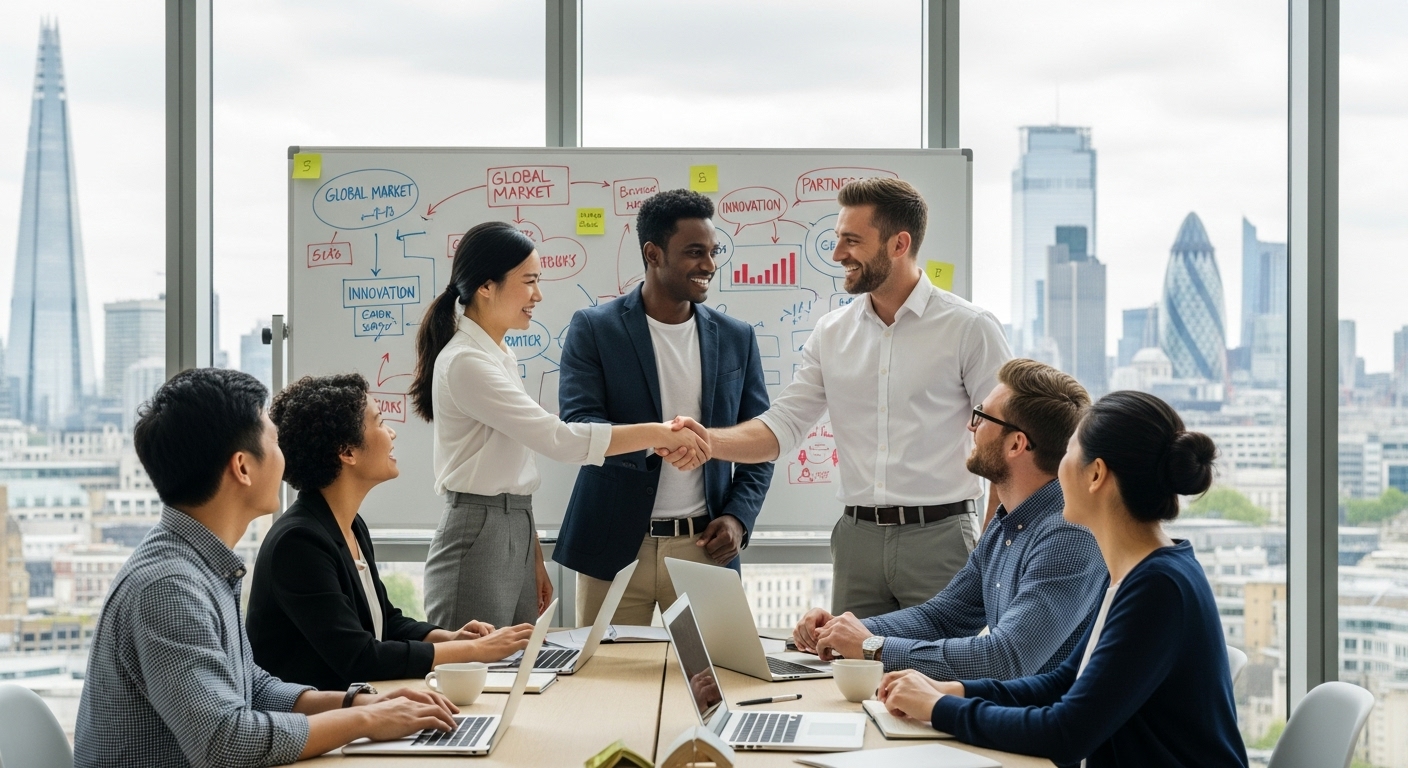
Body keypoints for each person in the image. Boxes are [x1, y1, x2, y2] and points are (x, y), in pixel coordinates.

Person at [74, 368, 460, 768]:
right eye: (274, 441)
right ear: (243, 467)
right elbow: (224, 741)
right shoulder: (169, 587)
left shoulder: (199, 566)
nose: (284, 457)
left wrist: (360, 701)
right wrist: (363, 719)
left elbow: (251, 688)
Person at [672, 177, 1012, 618]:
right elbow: (785, 425)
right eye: (837, 239)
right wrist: (707, 442)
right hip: (857, 541)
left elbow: (1007, 443)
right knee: (853, 680)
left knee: (934, 679)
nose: (837, 254)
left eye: (851, 241)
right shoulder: (832, 332)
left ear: (898, 243)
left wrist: (989, 548)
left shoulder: (969, 328)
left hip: (943, 538)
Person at [877, 391, 1249, 768]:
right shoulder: (1142, 572)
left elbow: (1065, 734)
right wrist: (952, 691)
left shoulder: (1159, 587)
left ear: (1096, 474)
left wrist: (940, 708)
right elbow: (1064, 683)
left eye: (1068, 454)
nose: (1057, 471)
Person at [411, 221, 711, 629]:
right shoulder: (467, 362)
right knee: (477, 673)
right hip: (478, 530)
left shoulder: (498, 353)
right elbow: (558, 440)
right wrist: (659, 432)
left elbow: (515, 474)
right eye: (529, 281)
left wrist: (531, 554)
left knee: (513, 666)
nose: (538, 295)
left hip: (512, 522)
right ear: (486, 286)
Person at [792, 359, 1106, 681]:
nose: (971, 427)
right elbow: (941, 618)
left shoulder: (1069, 537)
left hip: (1041, 723)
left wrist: (872, 646)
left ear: (1016, 444)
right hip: (1006, 714)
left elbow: (1004, 659)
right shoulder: (1006, 524)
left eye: (981, 417)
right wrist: (840, 629)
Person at [555, 189, 774, 627]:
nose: (709, 264)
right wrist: (659, 441)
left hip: (703, 549)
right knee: (606, 687)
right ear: (653, 253)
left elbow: (761, 440)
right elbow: (581, 425)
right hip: (614, 547)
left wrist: (737, 516)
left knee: (716, 682)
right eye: (695, 252)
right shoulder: (594, 328)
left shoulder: (737, 337)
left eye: (712, 252)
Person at [247, 373, 536, 691]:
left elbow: (385, 620)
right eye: (380, 422)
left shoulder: (350, 525)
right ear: (348, 452)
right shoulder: (299, 543)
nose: (392, 433)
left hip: (359, 707)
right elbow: (360, 656)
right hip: (317, 727)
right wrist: (474, 651)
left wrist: (448, 638)